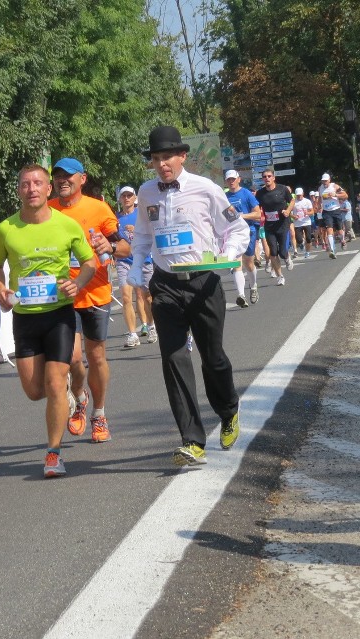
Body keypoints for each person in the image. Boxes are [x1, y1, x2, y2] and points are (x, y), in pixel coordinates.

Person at [129, 126, 248, 467]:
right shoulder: (147, 192)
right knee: (173, 358)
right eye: (156, 159)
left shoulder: (206, 188)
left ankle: (228, 411)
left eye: (168, 157)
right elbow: (141, 237)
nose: (162, 164)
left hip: (203, 282)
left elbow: (236, 228)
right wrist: (138, 266)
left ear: (182, 156)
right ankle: (192, 440)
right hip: (166, 285)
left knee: (213, 358)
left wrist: (231, 252)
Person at [0, 163, 96, 477]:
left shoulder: (66, 225)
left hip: (60, 315)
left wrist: (79, 283)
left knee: (53, 382)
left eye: (38, 183)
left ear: (48, 189)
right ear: (19, 190)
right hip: (24, 318)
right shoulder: (6, 229)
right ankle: (67, 397)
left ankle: (53, 454)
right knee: (35, 391)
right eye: (25, 184)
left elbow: (89, 262)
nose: (32, 189)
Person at [49, 157, 130, 444]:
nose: (62, 180)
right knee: (71, 357)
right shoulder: (47, 210)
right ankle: (80, 396)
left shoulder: (98, 208)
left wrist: (110, 246)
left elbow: (124, 245)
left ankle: (99, 413)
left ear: (82, 179)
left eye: (68, 176)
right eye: (58, 176)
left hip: (95, 293)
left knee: (96, 357)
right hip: (61, 296)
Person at [116, 185, 155, 346]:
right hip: (124, 261)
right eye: (123, 196)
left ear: (135, 198)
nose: (126, 198)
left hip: (144, 259)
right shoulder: (115, 219)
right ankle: (132, 334)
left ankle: (152, 326)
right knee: (126, 297)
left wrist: (136, 229)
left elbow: (152, 231)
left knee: (147, 297)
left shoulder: (142, 214)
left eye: (129, 196)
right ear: (120, 199)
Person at [225, 169, 261, 305]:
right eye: (229, 179)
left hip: (249, 231)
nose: (231, 181)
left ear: (238, 179)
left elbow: (258, 214)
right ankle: (241, 295)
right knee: (237, 264)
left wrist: (241, 216)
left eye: (233, 179)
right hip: (233, 233)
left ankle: (253, 287)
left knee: (249, 263)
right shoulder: (225, 197)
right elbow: (224, 215)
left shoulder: (246, 193)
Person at [256, 169, 294, 285]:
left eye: (269, 176)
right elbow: (256, 207)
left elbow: (292, 201)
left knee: (282, 252)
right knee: (273, 252)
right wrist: (259, 216)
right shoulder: (260, 193)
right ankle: (280, 276)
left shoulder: (282, 189)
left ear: (273, 178)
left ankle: (287, 257)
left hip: (282, 224)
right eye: (264, 177)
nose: (266, 178)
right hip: (269, 226)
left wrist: (288, 210)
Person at [318, 173, 347, 258]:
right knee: (329, 230)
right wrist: (319, 205)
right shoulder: (320, 188)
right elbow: (320, 198)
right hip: (326, 212)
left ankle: (343, 240)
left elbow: (345, 195)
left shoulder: (335, 186)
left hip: (336, 210)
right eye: (323, 181)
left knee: (340, 231)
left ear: (329, 180)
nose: (324, 182)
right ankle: (332, 250)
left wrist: (335, 195)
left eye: (326, 180)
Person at [291, 188, 315, 257]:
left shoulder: (307, 201)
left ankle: (307, 252)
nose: (299, 196)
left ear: (303, 194)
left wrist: (307, 213)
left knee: (308, 238)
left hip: (306, 222)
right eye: (297, 195)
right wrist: (293, 216)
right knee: (298, 240)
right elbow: (289, 212)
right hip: (297, 223)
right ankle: (301, 243)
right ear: (295, 195)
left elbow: (312, 212)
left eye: (300, 195)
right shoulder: (293, 202)